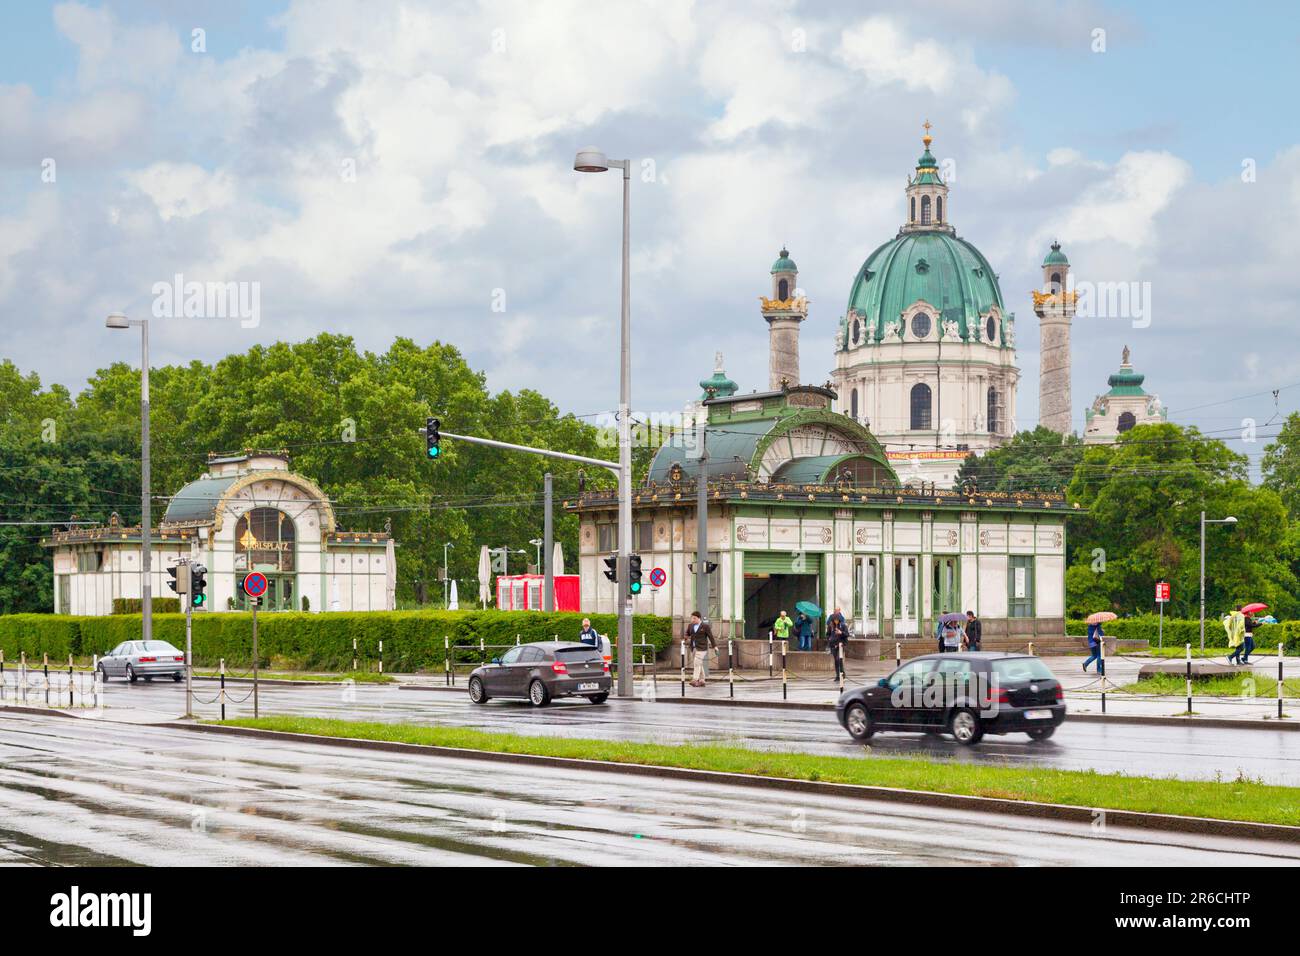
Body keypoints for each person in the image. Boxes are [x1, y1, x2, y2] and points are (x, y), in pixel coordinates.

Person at [684, 611, 716, 687]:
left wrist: (715, 646)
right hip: (693, 648)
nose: (692, 620)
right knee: (699, 663)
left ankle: (695, 679)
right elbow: (687, 633)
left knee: (696, 662)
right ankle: (702, 680)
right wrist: (685, 637)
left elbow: (710, 637)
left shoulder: (705, 626)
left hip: (702, 648)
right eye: (692, 618)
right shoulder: (690, 625)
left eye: (694, 618)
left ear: (698, 618)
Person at [826, 614, 847, 681]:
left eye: (837, 620)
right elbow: (828, 634)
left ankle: (842, 674)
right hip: (833, 645)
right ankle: (838, 675)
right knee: (836, 660)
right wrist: (829, 639)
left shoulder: (843, 626)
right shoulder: (831, 626)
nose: (836, 621)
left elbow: (847, 634)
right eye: (834, 620)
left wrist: (841, 632)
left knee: (839, 659)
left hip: (840, 645)